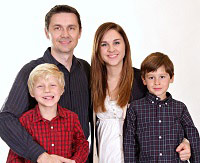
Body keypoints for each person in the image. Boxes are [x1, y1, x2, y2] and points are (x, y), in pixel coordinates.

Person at [0, 5, 92, 163]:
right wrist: (40, 155)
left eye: (71, 28)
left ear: (80, 32)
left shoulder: (85, 69)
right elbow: (5, 119)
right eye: (57, 28)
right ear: (46, 32)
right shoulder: (32, 71)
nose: (65, 34)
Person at [91, 22, 191, 163]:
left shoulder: (142, 80)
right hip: (103, 157)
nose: (111, 49)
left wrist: (186, 142)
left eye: (117, 43)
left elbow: (166, 115)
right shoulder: (92, 82)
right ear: (97, 49)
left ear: (125, 46)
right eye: (104, 44)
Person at [123, 52, 200, 162]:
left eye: (162, 77)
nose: (157, 82)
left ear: (171, 77)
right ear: (144, 80)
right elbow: (130, 142)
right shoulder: (135, 108)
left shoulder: (180, 108)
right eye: (151, 77)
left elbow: (193, 137)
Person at [6, 63, 89, 163]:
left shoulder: (71, 118)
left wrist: (75, 161)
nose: (47, 90)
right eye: (40, 86)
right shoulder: (25, 121)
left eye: (52, 85)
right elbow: (15, 153)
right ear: (32, 92)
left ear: (62, 90)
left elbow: (82, 144)